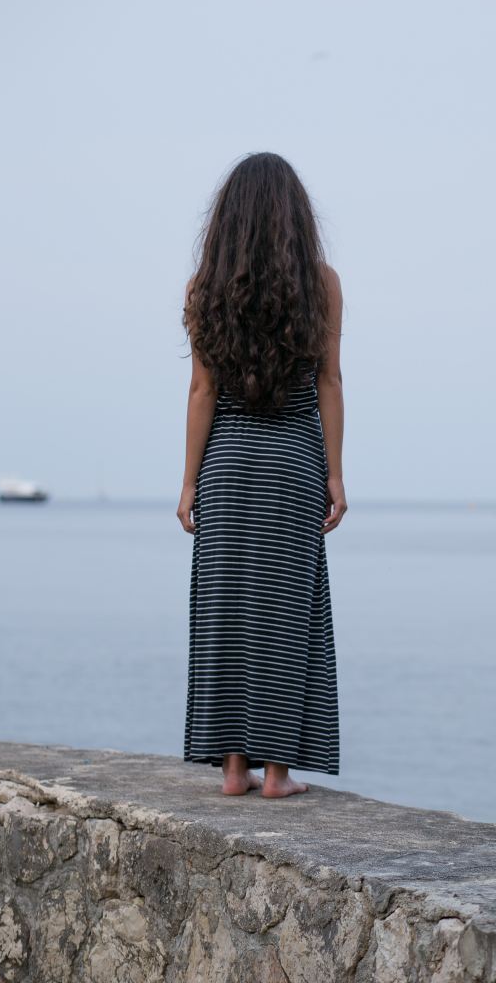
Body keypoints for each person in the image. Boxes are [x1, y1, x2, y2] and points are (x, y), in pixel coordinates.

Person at [177, 152, 346, 798]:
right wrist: (334, 475)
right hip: (294, 463)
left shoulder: (204, 288)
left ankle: (231, 770)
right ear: (295, 218)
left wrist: (191, 483)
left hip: (226, 465)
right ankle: (277, 774)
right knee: (286, 615)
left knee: (226, 613)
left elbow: (201, 393)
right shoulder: (322, 284)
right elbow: (329, 381)